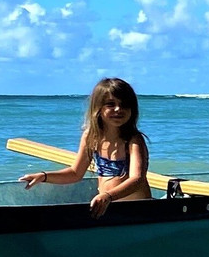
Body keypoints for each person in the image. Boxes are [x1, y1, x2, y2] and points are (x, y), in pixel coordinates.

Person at [19, 77, 151, 217]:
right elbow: (75, 173)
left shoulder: (133, 140)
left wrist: (108, 196)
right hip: (108, 209)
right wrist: (44, 176)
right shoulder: (91, 137)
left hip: (136, 211)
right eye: (110, 104)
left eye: (124, 105)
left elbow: (137, 179)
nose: (118, 109)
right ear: (98, 108)